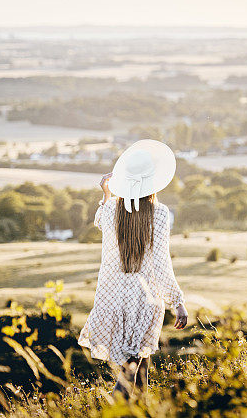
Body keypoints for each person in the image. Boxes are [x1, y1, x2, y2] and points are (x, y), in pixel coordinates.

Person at [78, 140, 188, 396]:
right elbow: (161, 262)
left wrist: (106, 194)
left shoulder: (111, 210)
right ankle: (112, 408)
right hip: (145, 298)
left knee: (140, 367)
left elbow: (101, 222)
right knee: (132, 367)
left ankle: (141, 412)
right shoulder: (159, 213)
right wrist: (177, 301)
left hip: (113, 297)